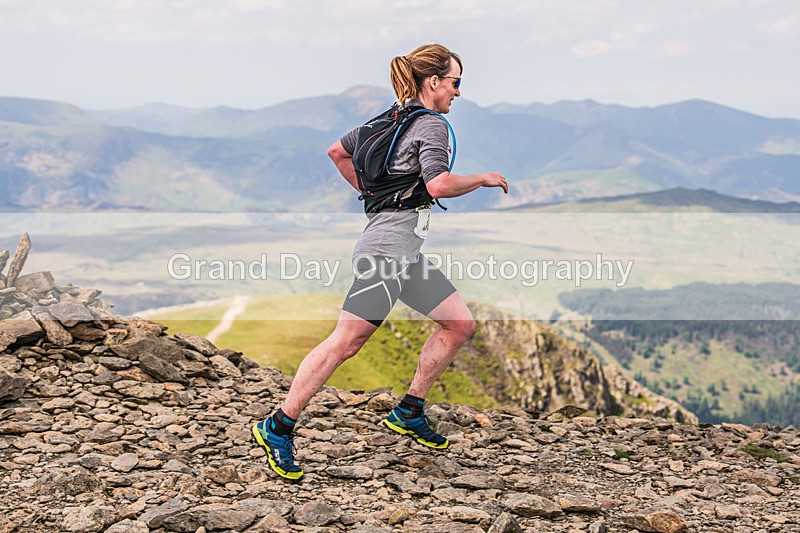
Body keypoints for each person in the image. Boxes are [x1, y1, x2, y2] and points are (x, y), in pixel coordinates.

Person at [252, 43, 508, 481]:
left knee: (459, 324)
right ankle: (277, 426)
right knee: (346, 342)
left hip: (403, 255)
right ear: (434, 82)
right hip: (387, 254)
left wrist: (374, 197)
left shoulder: (385, 120)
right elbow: (439, 185)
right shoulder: (432, 125)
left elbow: (337, 151)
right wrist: (482, 178)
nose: (458, 92)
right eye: (455, 82)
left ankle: (409, 410)